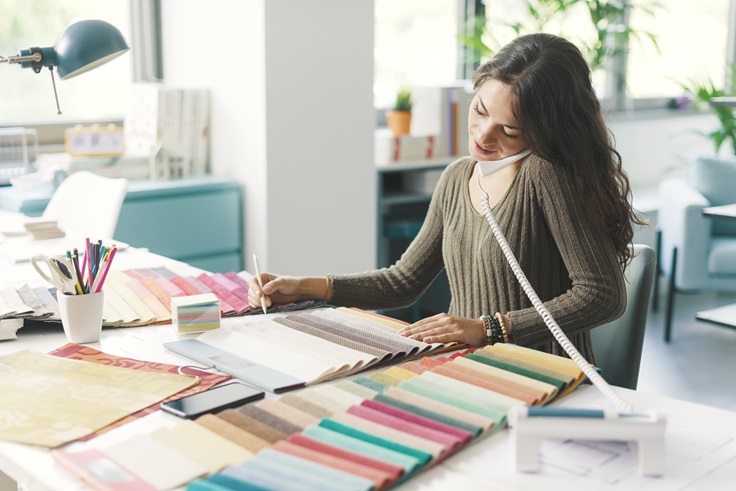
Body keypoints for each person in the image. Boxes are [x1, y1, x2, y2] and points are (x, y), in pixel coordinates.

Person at [247, 33, 642, 363]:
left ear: (545, 132)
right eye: (480, 111)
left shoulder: (547, 174)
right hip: (472, 367)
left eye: (510, 131)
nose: (484, 136)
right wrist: (303, 287)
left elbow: (603, 296)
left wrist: (490, 327)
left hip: (541, 373)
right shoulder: (457, 177)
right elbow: (403, 281)